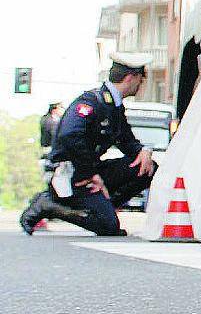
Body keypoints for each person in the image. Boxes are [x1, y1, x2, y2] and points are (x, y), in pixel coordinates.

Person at [20, 54, 158, 236]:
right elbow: (70, 136)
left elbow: (126, 141)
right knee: (108, 227)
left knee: (147, 168)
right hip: (71, 172)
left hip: (89, 170)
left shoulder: (114, 105)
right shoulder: (92, 102)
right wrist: (90, 173)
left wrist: (143, 152)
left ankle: (103, 207)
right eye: (141, 80)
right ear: (130, 78)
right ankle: (49, 205)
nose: (141, 86)